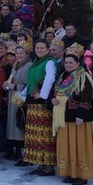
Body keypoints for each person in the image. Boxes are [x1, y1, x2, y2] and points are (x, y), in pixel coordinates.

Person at [52, 46, 93, 185]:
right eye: (66, 62)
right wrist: (53, 100)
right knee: (68, 146)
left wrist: (81, 115)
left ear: (78, 64)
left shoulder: (83, 76)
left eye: (71, 63)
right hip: (64, 116)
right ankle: (70, 172)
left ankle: (82, 174)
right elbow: (58, 93)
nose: (68, 65)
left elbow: (87, 97)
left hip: (78, 118)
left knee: (79, 146)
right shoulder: (63, 76)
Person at [21, 39, 57, 176]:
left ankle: (47, 166)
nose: (39, 50)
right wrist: (24, 94)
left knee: (43, 135)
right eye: (37, 48)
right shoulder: (37, 62)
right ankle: (41, 164)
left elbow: (50, 78)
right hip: (34, 102)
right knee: (36, 136)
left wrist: (42, 95)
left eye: (42, 48)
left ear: (48, 50)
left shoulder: (49, 62)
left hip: (42, 104)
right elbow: (31, 80)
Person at [3, 45, 31, 163]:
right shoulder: (16, 65)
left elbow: (28, 84)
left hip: (21, 100)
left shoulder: (28, 66)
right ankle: (16, 151)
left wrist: (14, 86)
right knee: (14, 125)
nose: (19, 55)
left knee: (20, 126)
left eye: (21, 53)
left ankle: (24, 154)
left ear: (26, 54)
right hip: (13, 98)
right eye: (17, 53)